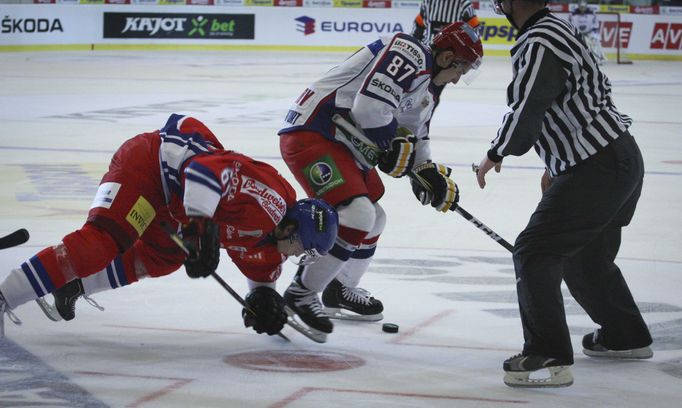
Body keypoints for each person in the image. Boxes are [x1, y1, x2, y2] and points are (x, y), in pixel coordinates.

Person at [0, 114, 338, 339]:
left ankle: (76, 285)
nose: (296, 255)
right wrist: (202, 226)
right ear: (288, 228)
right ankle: (5, 296)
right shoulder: (271, 199)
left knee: (163, 257)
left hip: (172, 205)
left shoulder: (270, 244)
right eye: (301, 247)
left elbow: (261, 281)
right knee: (100, 243)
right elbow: (204, 170)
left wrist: (265, 302)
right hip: (149, 167)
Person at [477, 0, 653, 388]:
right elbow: (574, 103)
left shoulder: (538, 40)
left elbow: (528, 109)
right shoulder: (559, 29)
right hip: (618, 157)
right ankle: (627, 337)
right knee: (587, 257)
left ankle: (547, 353)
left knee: (535, 250)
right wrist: (555, 164)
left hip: (598, 167)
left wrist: (495, 153)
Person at [278, 22, 483, 337]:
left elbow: (416, 133)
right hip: (315, 131)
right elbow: (370, 108)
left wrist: (426, 172)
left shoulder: (429, 88)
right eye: (460, 69)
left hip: (342, 140)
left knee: (374, 218)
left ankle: (339, 288)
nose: (457, 79)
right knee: (357, 213)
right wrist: (391, 148)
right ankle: (301, 293)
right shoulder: (409, 50)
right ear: (445, 58)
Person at [411, 0, 481, 109]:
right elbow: (419, 24)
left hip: (445, 60)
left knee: (429, 98)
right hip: (435, 58)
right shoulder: (463, 3)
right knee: (425, 97)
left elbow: (418, 27)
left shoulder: (462, 3)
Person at [568, 0, 606, 64]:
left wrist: (594, 34)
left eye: (583, 7)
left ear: (586, 6)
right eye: (581, 7)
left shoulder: (592, 13)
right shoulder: (572, 14)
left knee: (596, 41)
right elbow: (569, 24)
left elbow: (596, 24)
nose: (582, 8)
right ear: (579, 6)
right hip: (577, 34)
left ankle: (597, 59)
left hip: (589, 33)